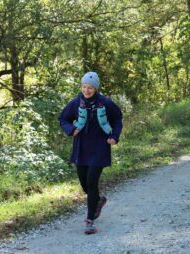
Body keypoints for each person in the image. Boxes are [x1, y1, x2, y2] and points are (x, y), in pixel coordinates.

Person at [58, 71, 123, 234]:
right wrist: (70, 129)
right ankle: (98, 200)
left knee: (92, 182)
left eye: (90, 88)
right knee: (84, 184)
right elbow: (63, 119)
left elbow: (117, 119)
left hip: (100, 147)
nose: (86, 91)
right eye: (84, 87)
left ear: (96, 88)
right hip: (81, 148)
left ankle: (90, 222)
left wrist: (114, 136)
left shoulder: (105, 103)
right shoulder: (76, 103)